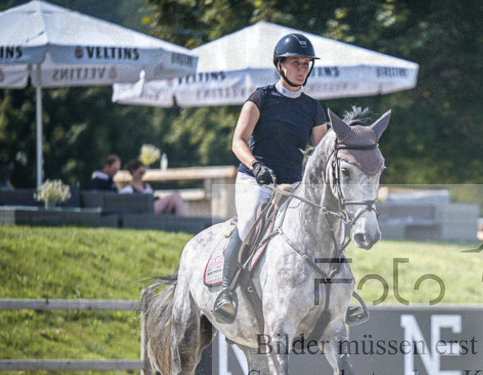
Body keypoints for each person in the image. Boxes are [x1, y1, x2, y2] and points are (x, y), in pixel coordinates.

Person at [213, 32, 328, 323]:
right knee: (250, 219)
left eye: (306, 63)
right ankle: (226, 290)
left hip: (295, 184)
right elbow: (238, 141)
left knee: (324, 225)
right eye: (296, 63)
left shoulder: (313, 108)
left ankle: (341, 294)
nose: (302, 68)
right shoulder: (260, 98)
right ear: (280, 65)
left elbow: (321, 152)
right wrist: (255, 165)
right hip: (257, 180)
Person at [119, 159, 187, 215]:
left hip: (152, 208)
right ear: (133, 171)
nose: (141, 175)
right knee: (175, 196)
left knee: (175, 199)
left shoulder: (147, 187)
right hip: (144, 211)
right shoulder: (128, 189)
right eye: (140, 173)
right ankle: (184, 223)